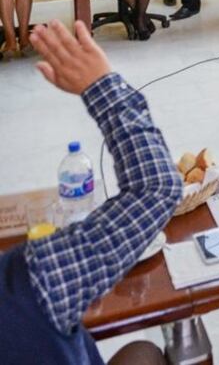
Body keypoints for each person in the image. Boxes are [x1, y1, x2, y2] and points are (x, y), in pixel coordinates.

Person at [0, 20, 181, 364]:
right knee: (145, 353)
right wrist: (100, 86)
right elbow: (156, 187)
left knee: (141, 352)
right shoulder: (29, 283)